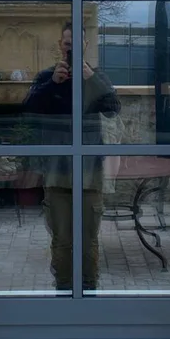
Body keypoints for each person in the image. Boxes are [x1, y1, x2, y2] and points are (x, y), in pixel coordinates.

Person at [23, 21, 120, 292]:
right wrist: (52, 83)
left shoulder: (96, 77)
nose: (71, 50)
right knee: (62, 241)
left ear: (85, 46)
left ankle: (89, 292)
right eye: (67, 45)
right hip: (57, 172)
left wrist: (92, 79)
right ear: (60, 46)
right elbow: (28, 110)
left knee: (89, 240)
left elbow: (114, 108)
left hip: (89, 172)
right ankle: (63, 292)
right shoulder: (47, 77)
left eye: (76, 45)